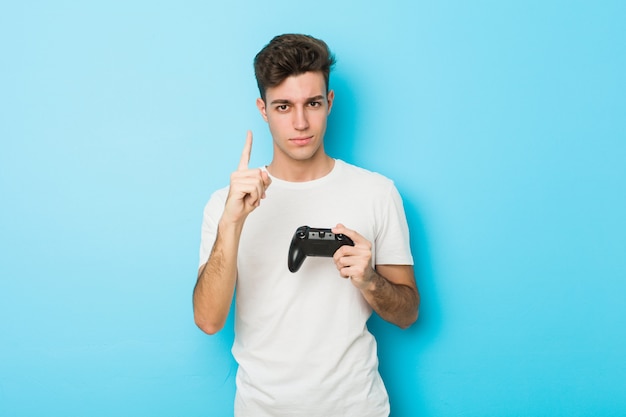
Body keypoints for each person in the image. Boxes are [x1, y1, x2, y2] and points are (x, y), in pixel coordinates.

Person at [193, 33, 420, 417]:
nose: (300, 123)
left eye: (312, 103)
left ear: (329, 103)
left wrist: (370, 281)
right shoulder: (225, 203)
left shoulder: (377, 193)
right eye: (283, 107)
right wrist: (231, 224)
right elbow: (209, 321)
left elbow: (407, 313)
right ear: (263, 110)